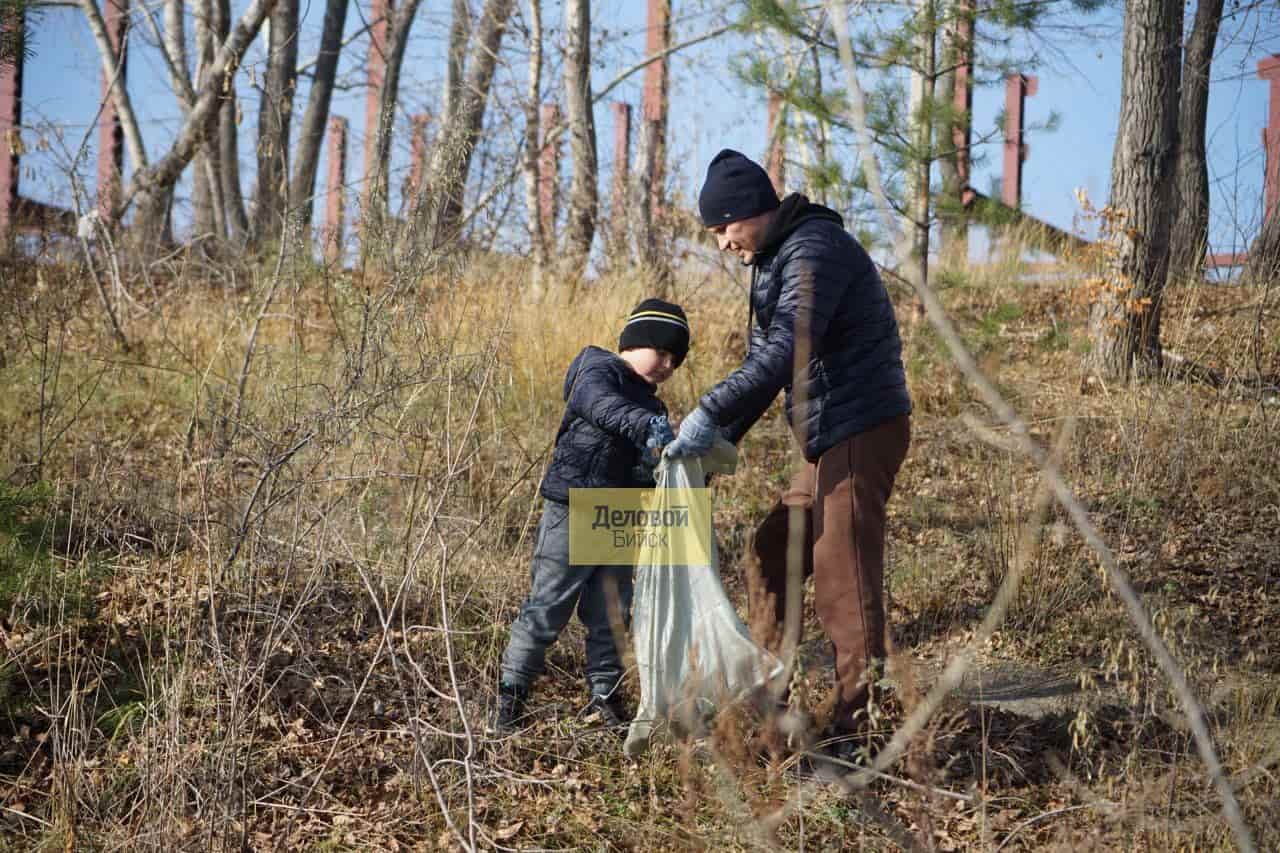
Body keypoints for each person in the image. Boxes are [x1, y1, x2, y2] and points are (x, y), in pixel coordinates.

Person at [665, 149, 912, 753]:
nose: (722, 243)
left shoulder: (814, 250)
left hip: (861, 426)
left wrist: (707, 413)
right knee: (772, 548)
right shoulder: (777, 256)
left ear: (752, 210)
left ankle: (863, 727)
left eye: (724, 228)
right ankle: (765, 703)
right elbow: (767, 365)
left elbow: (785, 350)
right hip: (828, 434)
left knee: (841, 574)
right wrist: (716, 443)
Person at [492, 299, 690, 735]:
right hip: (574, 507)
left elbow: (647, 467)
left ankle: (604, 698)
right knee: (548, 606)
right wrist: (648, 427)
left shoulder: (653, 408)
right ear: (637, 342)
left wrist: (680, 466)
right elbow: (600, 406)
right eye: (664, 352)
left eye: (676, 361)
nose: (669, 365)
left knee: (612, 613)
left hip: (618, 515)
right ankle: (511, 698)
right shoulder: (596, 370)